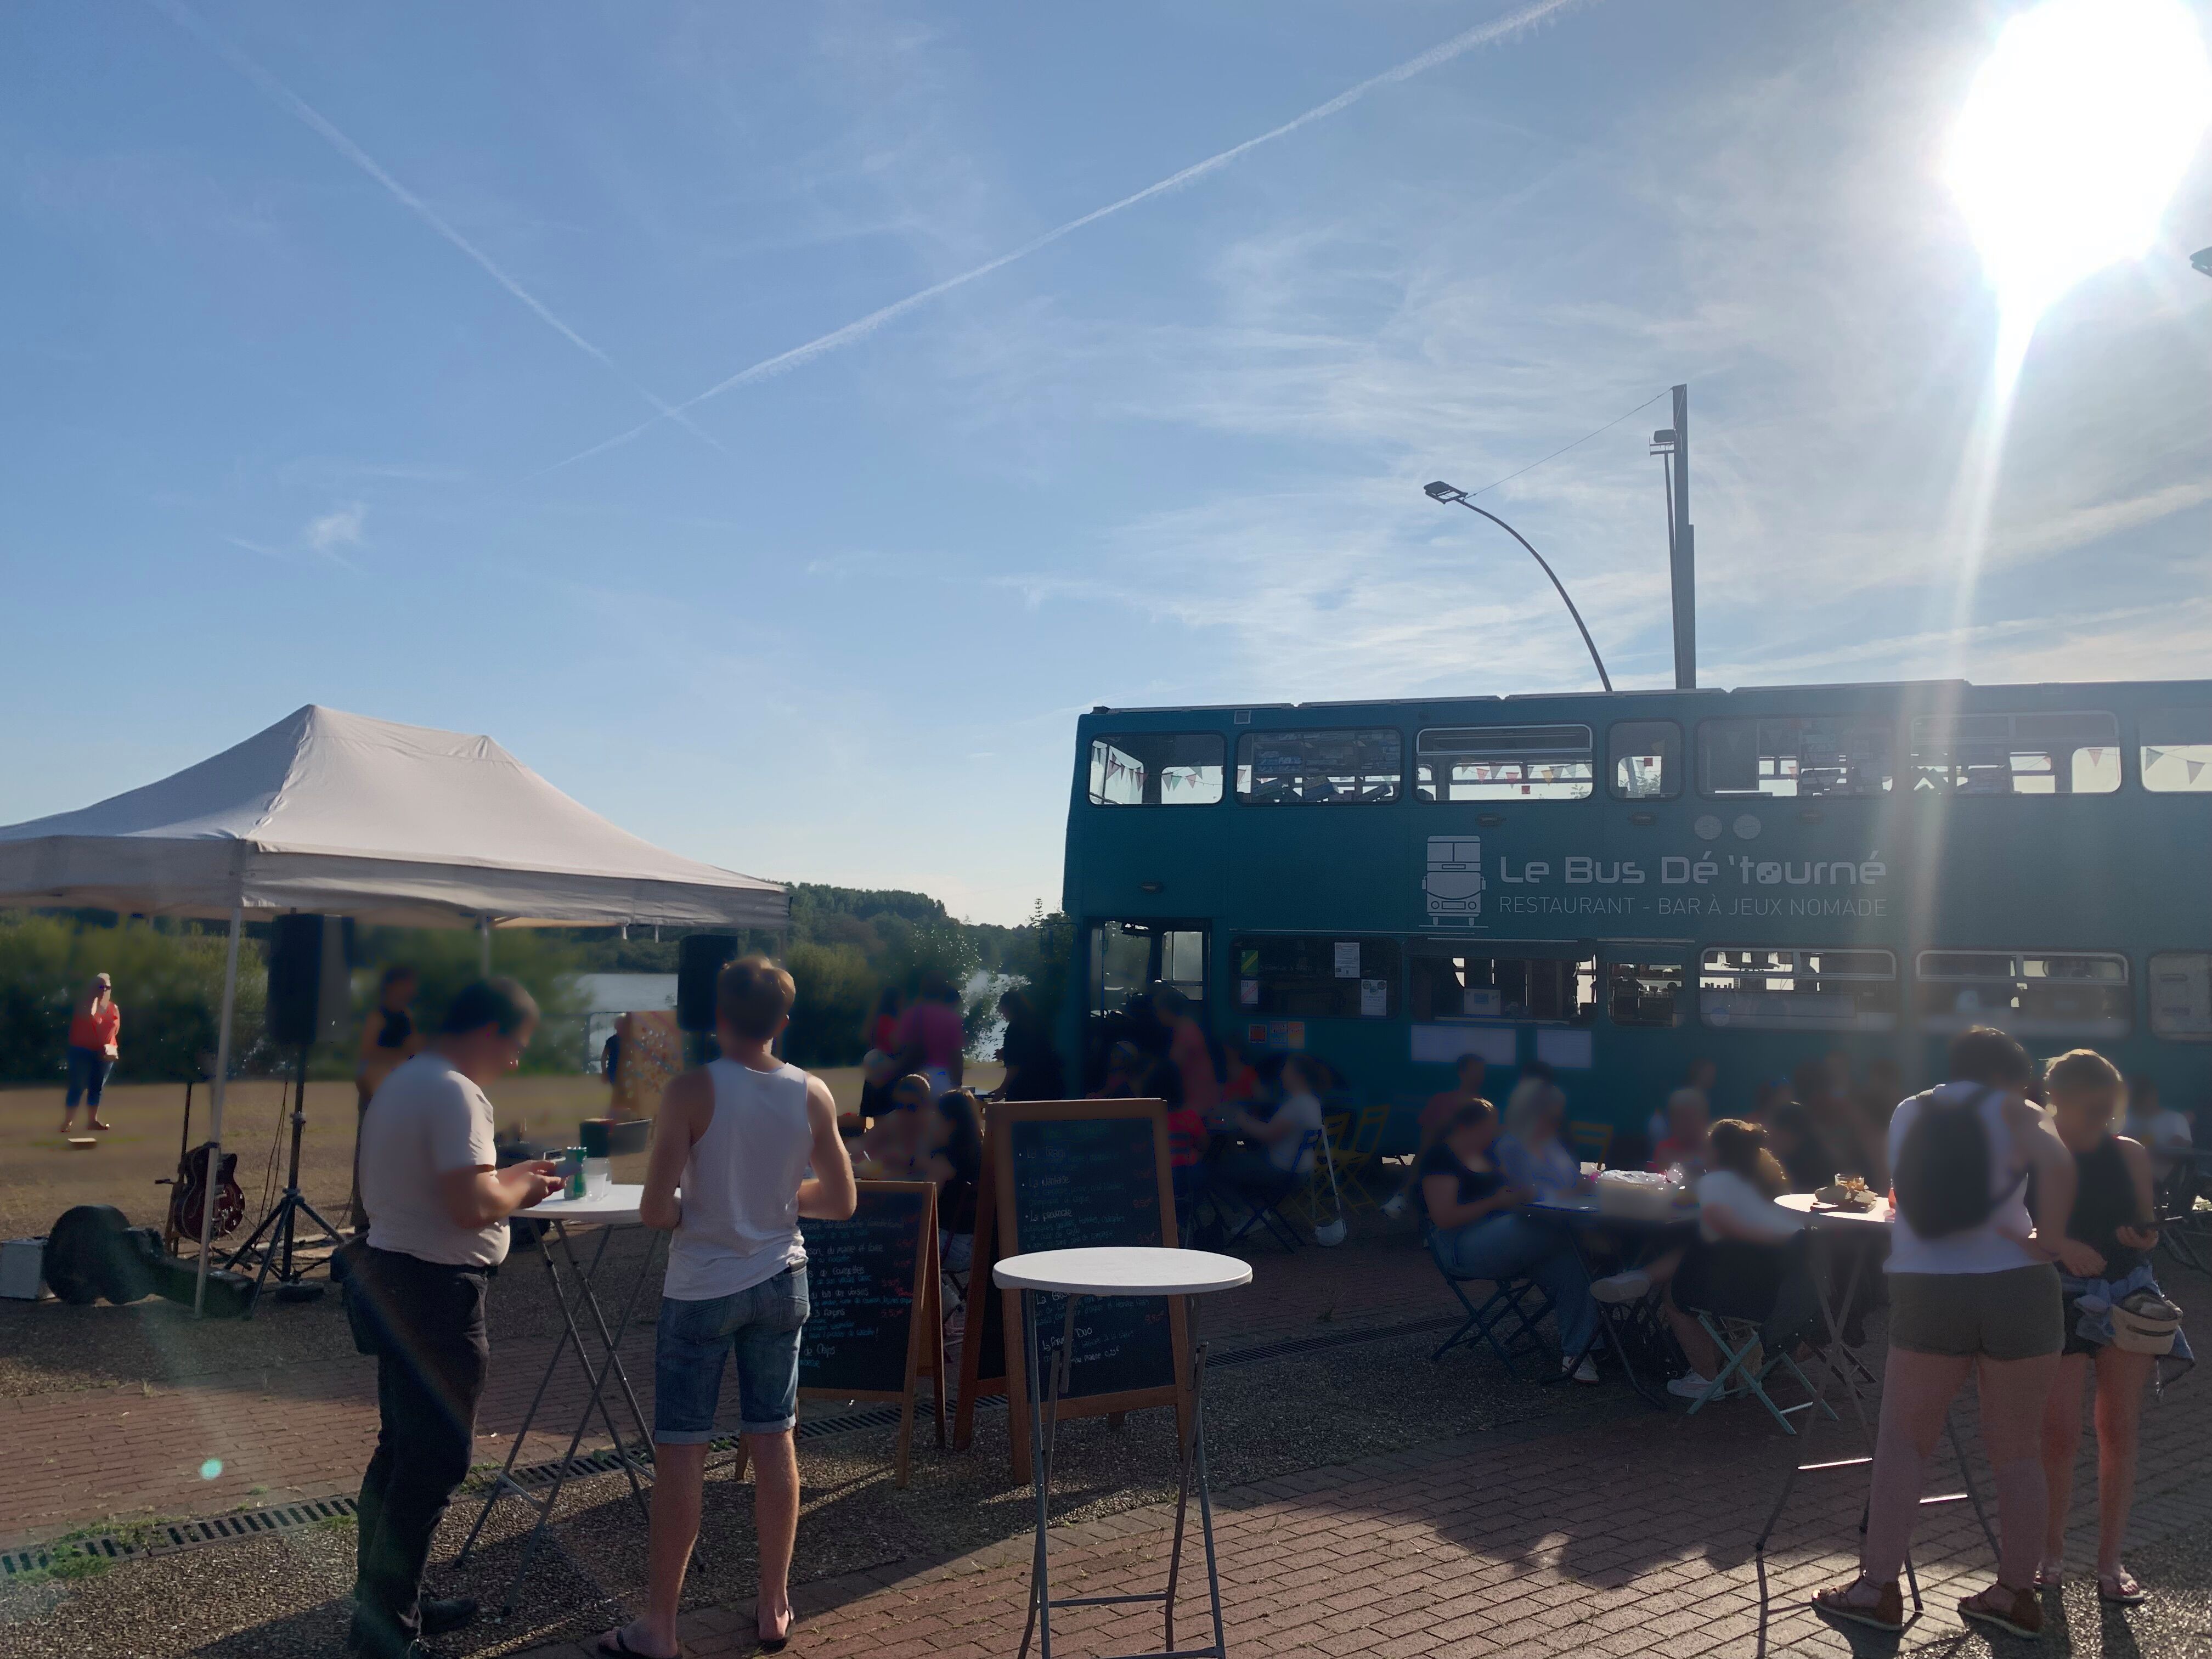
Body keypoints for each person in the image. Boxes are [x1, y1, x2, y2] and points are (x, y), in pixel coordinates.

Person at [602, 956, 855, 1659]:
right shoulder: (813, 1093)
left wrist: (712, 1204)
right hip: (781, 1279)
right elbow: (841, 1199)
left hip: (703, 1286)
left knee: (683, 1449)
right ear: (782, 1021)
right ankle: (774, 1603)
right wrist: (770, 1201)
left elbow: (656, 1210)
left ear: (716, 1018)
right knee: (775, 1438)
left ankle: (661, 1626)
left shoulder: (689, 1089)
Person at [1813, 1027, 2076, 1641]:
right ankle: (2014, 1594)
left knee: (1905, 1441)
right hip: (2020, 1285)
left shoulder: (1913, 1110)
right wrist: (2051, 1238)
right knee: (2017, 1452)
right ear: (2013, 1076)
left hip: (1931, 1283)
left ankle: (1877, 1589)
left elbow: (1902, 1190)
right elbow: (2061, 1164)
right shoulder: (2026, 1112)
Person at [347, 978, 563, 1659]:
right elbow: (472, 1206)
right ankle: (386, 1633)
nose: (517, 1063)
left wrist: (512, 1172)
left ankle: (389, 1609)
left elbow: (448, 1188)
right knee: (434, 1462)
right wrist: (531, 1183)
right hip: (437, 1291)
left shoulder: (409, 1080)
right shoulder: (456, 1092)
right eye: (517, 1048)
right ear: (489, 1032)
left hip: (394, 1276)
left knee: (401, 1456)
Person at [2036, 1049, 2186, 1604]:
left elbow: (2148, 1227)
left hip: (2124, 1294)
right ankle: (2049, 1555)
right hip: (2057, 1293)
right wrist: (2063, 1245)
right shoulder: (2039, 1152)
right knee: (2058, 1434)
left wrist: (2141, 1237)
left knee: (2118, 1429)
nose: (2102, 1119)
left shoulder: (2128, 1153)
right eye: (2091, 1108)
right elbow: (2018, 1224)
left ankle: (2108, 1563)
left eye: (2108, 1108)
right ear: (2060, 1102)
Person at [1419, 1099, 1600, 1385]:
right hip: (1460, 1246)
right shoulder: (1441, 1158)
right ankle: (1605, 1250)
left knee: (1571, 1265)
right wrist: (1496, 1201)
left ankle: (1580, 1352)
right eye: (1486, 1130)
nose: (1493, 1136)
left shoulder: (1487, 1155)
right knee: (1552, 1226)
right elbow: (1443, 1217)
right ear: (1465, 1128)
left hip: (1506, 1235)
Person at [1660, 1119, 1808, 1400]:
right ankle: (1725, 1365)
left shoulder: (1716, 1181)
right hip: (1788, 1292)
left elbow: (1724, 1223)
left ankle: (1707, 1378)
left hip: (1749, 1295)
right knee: (1692, 1263)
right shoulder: (1768, 1179)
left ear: (1716, 1151)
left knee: (1674, 1294)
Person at [351, 967, 422, 1231]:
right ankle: (365, 1223)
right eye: (407, 984)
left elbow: (413, 1051)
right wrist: (402, 1054)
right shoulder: (378, 1016)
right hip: (376, 1094)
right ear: (393, 986)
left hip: (400, 1096)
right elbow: (367, 1054)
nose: (412, 991)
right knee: (370, 1158)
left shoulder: (406, 1016)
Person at [1384, 1052, 1487, 1218]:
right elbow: (1426, 1138)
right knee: (1389, 1161)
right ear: (1462, 1073)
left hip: (1462, 1160)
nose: (1480, 1076)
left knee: (1430, 1162)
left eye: (1482, 1072)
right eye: (1475, 1071)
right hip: (1432, 1154)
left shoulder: (1483, 1105)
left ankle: (1405, 1196)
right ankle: (1408, 1197)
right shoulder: (1441, 1100)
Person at [1216, 1053, 1325, 1208]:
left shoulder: (1297, 1105)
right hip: (1302, 1168)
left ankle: (1249, 1213)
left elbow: (1267, 1135)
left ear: (1297, 1076)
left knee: (1217, 1172)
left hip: (1282, 1171)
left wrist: (1243, 1120)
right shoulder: (1312, 1101)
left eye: (1285, 1070)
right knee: (1243, 1149)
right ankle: (1260, 1209)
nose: (1281, 1074)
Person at [1496, 1080, 1588, 1205]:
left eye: (1558, 1120)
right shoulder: (1511, 1146)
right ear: (1529, 1114)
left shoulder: (1551, 1143)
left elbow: (1576, 1178)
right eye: (1550, 1119)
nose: (1554, 1126)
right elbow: (1522, 1192)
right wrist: (1566, 1194)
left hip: (1568, 1209)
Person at [60, 972, 121, 1133]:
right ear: (92, 988)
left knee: (97, 1087)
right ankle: (67, 1122)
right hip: (82, 1051)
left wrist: (109, 1046)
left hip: (104, 1053)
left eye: (107, 987)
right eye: (100, 987)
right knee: (78, 1086)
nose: (104, 990)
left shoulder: (114, 1007)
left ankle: (92, 1121)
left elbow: (115, 1029)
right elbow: (91, 1017)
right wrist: (96, 999)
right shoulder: (84, 1005)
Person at [1155, 988, 1221, 1121]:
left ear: (1167, 1010)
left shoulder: (1186, 1030)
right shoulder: (1186, 1026)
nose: (1157, 1015)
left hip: (1198, 1101)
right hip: (1200, 1096)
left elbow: (1173, 1066)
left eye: (1159, 1010)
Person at [894, 975, 966, 1094]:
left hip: (914, 1076)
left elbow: (900, 1046)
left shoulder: (911, 1014)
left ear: (922, 991)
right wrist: (957, 1084)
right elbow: (956, 1054)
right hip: (942, 1076)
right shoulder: (952, 1018)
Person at [2124, 1074, 2196, 1184]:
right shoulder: (2127, 1120)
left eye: (2144, 1094)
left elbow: (2183, 1151)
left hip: (2159, 1177)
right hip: (2126, 1170)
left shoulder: (2175, 1119)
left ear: (2154, 1095)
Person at [995, 989, 1064, 1101]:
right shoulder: (1039, 1023)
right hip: (1050, 1086)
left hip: (1026, 1090)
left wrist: (1001, 1090)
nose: (1002, 1012)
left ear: (1008, 1007)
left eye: (1002, 1008)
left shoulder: (1014, 1028)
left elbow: (1015, 1067)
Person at [1649, 1087, 1710, 1173]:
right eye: (1675, 1118)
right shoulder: (1665, 1149)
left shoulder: (1716, 1147)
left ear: (1702, 1118)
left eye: (1686, 1117)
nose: (1680, 1123)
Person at [865, 986, 902, 1057]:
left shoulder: (878, 1019)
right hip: (886, 1058)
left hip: (875, 1056)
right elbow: (896, 1046)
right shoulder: (888, 1021)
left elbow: (866, 1037)